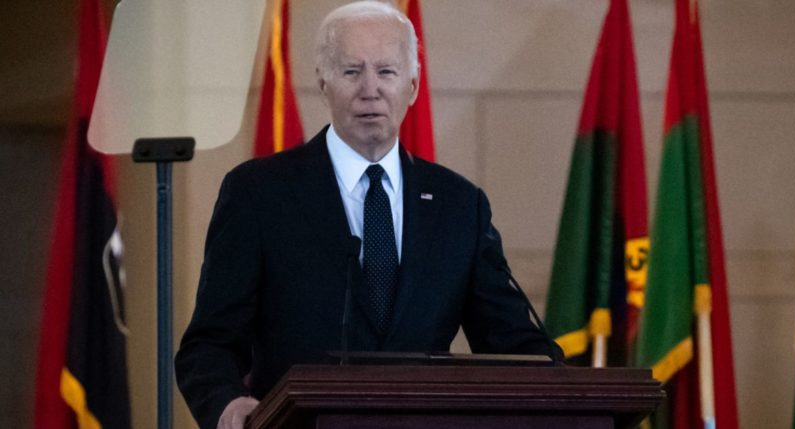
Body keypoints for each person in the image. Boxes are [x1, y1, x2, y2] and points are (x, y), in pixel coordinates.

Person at [175, 2, 563, 428]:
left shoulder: (459, 205)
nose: (370, 89)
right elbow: (208, 344)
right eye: (351, 71)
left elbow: (514, 346)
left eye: (386, 72)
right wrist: (229, 404)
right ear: (323, 82)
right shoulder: (258, 193)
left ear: (412, 86)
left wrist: (563, 389)